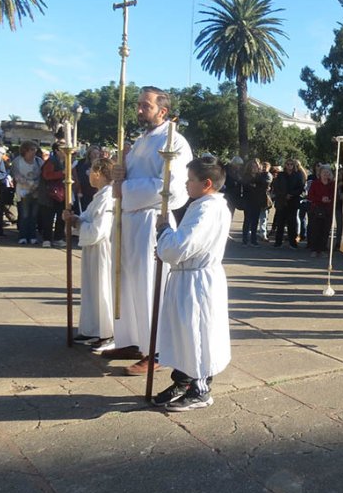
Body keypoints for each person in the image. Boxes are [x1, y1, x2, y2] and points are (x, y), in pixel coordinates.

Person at [104, 86, 193, 375]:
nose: (139, 110)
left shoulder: (175, 142)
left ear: (162, 111)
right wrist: (120, 173)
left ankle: (155, 349)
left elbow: (169, 187)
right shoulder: (139, 141)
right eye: (138, 105)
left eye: (145, 105)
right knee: (126, 281)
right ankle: (131, 339)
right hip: (128, 219)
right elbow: (128, 178)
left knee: (148, 285)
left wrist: (124, 187)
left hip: (152, 220)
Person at [153, 155, 232, 410]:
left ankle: (200, 389)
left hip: (197, 281)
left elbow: (181, 247)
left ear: (207, 183)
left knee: (197, 332)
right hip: (188, 277)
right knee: (183, 332)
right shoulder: (203, 205)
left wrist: (164, 231)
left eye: (191, 180)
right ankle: (184, 379)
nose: (187, 185)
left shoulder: (208, 209)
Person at [62, 158, 115, 350]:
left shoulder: (109, 197)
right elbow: (87, 218)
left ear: (99, 173)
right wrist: (74, 218)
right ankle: (93, 329)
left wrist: (77, 223)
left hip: (102, 250)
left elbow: (98, 229)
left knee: (103, 289)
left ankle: (107, 333)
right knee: (92, 290)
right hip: (93, 250)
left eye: (91, 171)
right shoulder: (99, 196)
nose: (88, 174)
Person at [11, 141, 43, 245]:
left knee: (34, 215)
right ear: (25, 150)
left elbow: (43, 176)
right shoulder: (18, 161)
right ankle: (23, 236)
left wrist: (36, 185)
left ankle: (33, 236)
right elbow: (16, 175)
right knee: (24, 215)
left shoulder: (39, 161)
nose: (33, 152)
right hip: (23, 191)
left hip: (36, 192)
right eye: (31, 150)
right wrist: (29, 184)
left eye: (35, 150)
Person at [38, 140, 68, 248]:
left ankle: (58, 238)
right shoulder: (51, 161)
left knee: (61, 216)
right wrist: (62, 173)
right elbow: (47, 175)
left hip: (62, 193)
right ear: (57, 150)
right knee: (48, 217)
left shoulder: (66, 161)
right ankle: (47, 239)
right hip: (49, 194)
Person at [273, 159, 306, 249]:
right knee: (280, 222)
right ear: (285, 165)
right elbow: (276, 187)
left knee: (292, 223)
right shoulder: (281, 175)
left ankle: (292, 242)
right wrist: (284, 195)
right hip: (282, 201)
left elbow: (301, 187)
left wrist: (292, 194)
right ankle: (278, 242)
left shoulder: (297, 175)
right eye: (288, 164)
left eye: (291, 164)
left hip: (293, 201)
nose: (289, 166)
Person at [306, 164, 335, 257]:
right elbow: (310, 195)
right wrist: (320, 199)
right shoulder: (315, 183)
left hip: (328, 210)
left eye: (328, 172)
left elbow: (335, 195)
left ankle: (322, 249)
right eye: (324, 172)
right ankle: (314, 249)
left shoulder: (332, 184)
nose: (326, 174)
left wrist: (329, 199)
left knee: (325, 230)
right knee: (315, 230)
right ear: (320, 174)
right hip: (316, 209)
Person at [242, 159, 272, 247]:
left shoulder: (261, 176)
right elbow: (246, 186)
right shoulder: (246, 176)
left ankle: (253, 240)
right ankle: (245, 239)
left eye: (256, 166)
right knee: (247, 220)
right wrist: (255, 186)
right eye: (252, 166)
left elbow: (264, 186)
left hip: (257, 201)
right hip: (248, 200)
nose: (254, 168)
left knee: (255, 221)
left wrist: (255, 186)